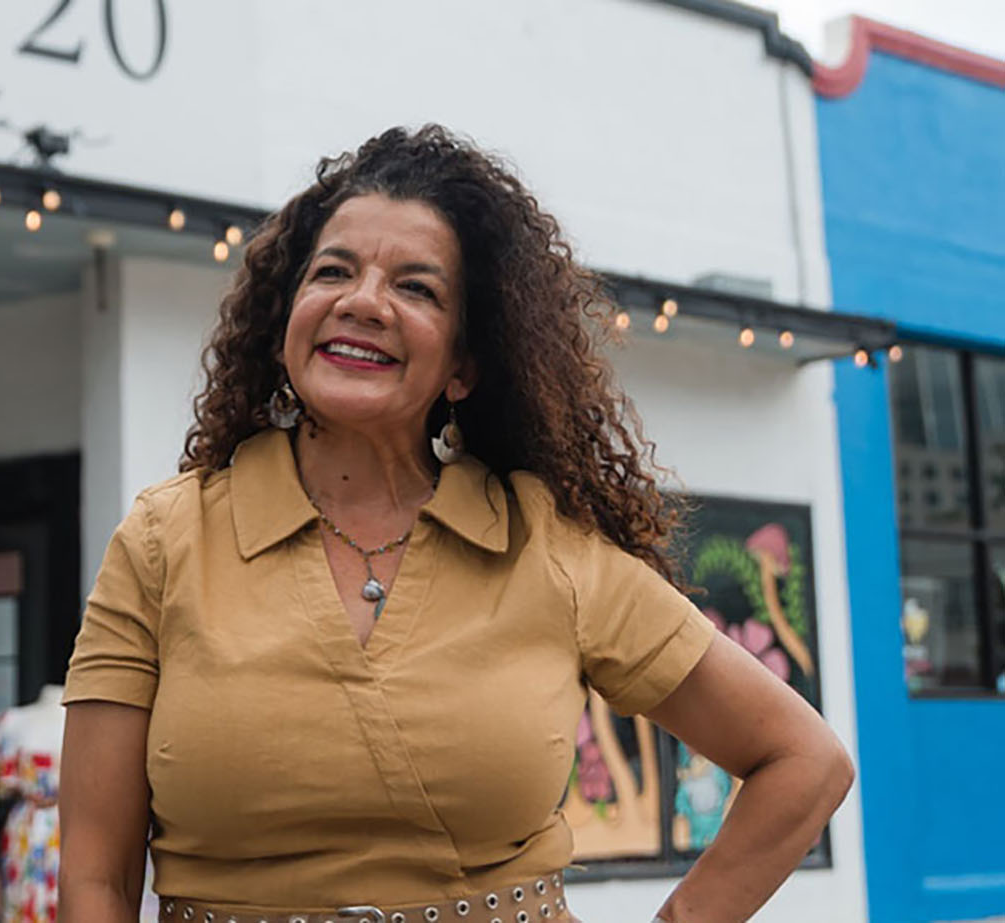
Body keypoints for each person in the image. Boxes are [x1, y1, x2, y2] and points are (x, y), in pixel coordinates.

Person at [58, 125, 854, 923]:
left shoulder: (546, 547)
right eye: (332, 271)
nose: (362, 301)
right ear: (285, 321)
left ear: (464, 366)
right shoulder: (164, 540)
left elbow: (803, 760)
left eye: (416, 288)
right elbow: (97, 876)